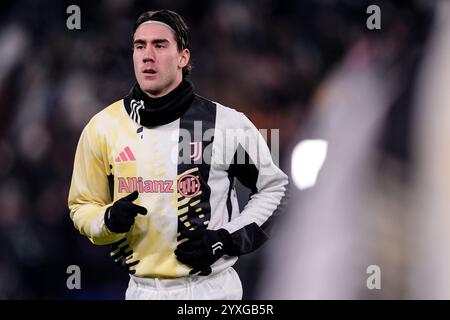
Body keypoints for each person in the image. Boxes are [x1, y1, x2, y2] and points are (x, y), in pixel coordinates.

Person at [68, 9, 288, 300]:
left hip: (212, 290)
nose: (147, 55)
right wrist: (107, 220)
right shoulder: (102, 127)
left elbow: (275, 191)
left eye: (159, 45)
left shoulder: (226, 123)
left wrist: (225, 239)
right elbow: (82, 205)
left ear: (183, 57)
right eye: (139, 46)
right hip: (140, 291)